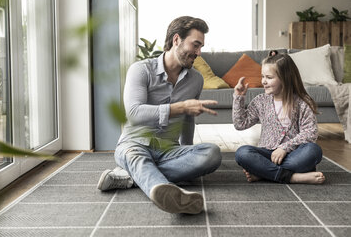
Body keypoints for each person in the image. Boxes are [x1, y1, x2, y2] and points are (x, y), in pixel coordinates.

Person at [96, 16, 222, 214]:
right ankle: (162, 190)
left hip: (168, 150)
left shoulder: (195, 79)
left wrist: (187, 153)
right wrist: (178, 108)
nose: (198, 53)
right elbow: (134, 113)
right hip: (135, 144)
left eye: (201, 47)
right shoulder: (141, 70)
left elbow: (188, 120)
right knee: (137, 158)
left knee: (212, 154)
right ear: (176, 40)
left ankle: (130, 178)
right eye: (195, 45)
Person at [233, 51, 325, 184]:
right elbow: (240, 124)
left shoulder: (302, 103)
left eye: (269, 77)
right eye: (262, 76)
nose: (263, 81)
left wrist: (284, 148)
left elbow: (310, 132)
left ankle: (264, 173)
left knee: (314, 151)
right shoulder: (261, 101)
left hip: (293, 154)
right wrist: (238, 98)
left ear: (285, 78)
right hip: (267, 154)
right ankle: (294, 177)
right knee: (242, 153)